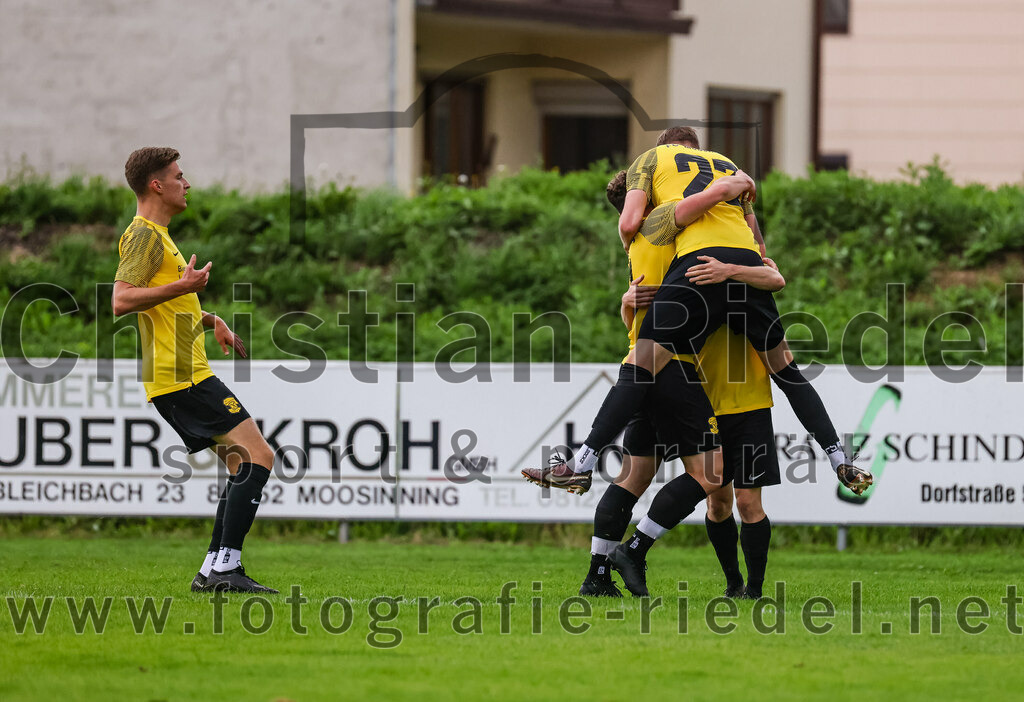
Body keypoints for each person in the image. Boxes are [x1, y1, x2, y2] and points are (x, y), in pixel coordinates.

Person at [524, 128, 870, 509]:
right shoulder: (730, 166)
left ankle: (583, 462)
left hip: (699, 265)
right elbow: (760, 247)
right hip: (745, 265)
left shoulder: (651, 162)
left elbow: (629, 223)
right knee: (789, 374)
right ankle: (838, 455)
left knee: (640, 367)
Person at [576, 168, 780, 599]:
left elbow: (635, 313)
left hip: (637, 363)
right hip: (676, 368)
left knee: (632, 478)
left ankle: (596, 576)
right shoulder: (674, 230)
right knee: (712, 473)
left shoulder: (636, 243)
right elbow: (759, 258)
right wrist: (734, 191)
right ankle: (635, 548)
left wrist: (625, 304)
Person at [112, 147, 277, 593]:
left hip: (179, 374)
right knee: (259, 457)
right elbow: (121, 300)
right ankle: (226, 568)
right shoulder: (144, 236)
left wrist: (209, 318)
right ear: (156, 185)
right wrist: (184, 285)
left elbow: (167, 306)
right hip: (182, 375)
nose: (187, 184)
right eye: (179, 176)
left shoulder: (158, 236)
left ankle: (212, 571)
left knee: (241, 464)